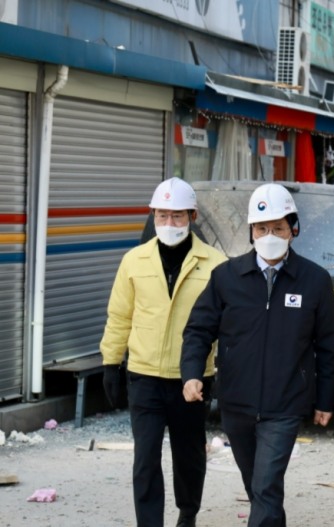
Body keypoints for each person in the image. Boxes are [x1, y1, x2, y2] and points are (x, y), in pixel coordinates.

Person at [181, 183, 334, 527]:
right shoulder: (226, 277)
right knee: (257, 486)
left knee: (266, 484)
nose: (270, 235)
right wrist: (192, 373)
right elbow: (199, 329)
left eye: (278, 228)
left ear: (293, 230)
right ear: (251, 232)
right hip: (236, 402)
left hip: (285, 404)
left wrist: (325, 400)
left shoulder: (314, 281)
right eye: (262, 228)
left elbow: (330, 345)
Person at [100, 177, 227, 527]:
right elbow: (119, 315)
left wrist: (223, 369)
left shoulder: (216, 264)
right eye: (162, 216)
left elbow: (225, 324)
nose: (169, 224)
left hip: (192, 379)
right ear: (152, 216)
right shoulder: (134, 261)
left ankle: (188, 514)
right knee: (145, 458)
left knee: (188, 455)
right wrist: (111, 362)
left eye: (177, 217)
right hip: (144, 375)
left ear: (192, 216)